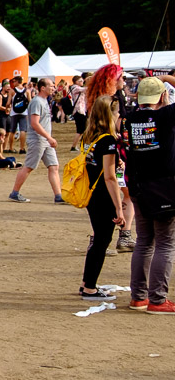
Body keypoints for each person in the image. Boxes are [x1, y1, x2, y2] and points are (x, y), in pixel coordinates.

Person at [124, 75, 175, 314]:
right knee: (165, 243)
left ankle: (138, 297)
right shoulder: (164, 116)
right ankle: (157, 299)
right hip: (164, 187)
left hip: (138, 186)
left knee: (144, 241)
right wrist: (167, 78)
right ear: (163, 97)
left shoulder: (131, 118)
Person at [78, 95, 126, 300]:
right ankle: (90, 287)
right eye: (117, 113)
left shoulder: (89, 136)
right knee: (102, 240)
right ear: (110, 114)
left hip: (91, 192)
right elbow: (109, 177)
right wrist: (119, 208)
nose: (119, 117)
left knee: (98, 238)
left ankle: (86, 283)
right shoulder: (107, 140)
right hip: (103, 195)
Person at [8, 79, 64, 204]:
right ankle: (14, 193)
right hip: (38, 139)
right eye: (50, 86)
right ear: (43, 88)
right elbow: (34, 123)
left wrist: (48, 138)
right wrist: (49, 137)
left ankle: (58, 196)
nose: (53, 88)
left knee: (54, 166)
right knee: (29, 166)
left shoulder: (44, 101)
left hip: (45, 140)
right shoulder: (37, 102)